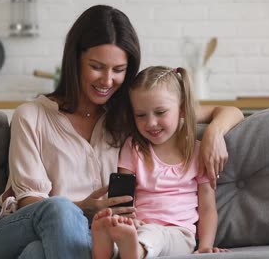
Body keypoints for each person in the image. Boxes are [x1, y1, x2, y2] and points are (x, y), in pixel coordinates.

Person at [0, 4, 244, 259]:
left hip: (83, 241)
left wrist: (212, 135)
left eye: (118, 70)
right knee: (60, 209)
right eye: (97, 67)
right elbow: (32, 202)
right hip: (19, 231)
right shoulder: (32, 116)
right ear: (75, 61)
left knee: (38, 254)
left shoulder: (132, 115)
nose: (107, 81)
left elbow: (226, 111)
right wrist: (83, 208)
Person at [91, 66, 230, 259]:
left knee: (154, 235)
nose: (151, 123)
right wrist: (124, 221)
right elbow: (124, 199)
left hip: (178, 234)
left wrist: (206, 246)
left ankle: (134, 250)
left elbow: (207, 207)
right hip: (138, 228)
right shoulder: (133, 148)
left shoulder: (197, 152)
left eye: (160, 112)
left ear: (182, 109)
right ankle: (107, 246)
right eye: (141, 115)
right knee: (127, 231)